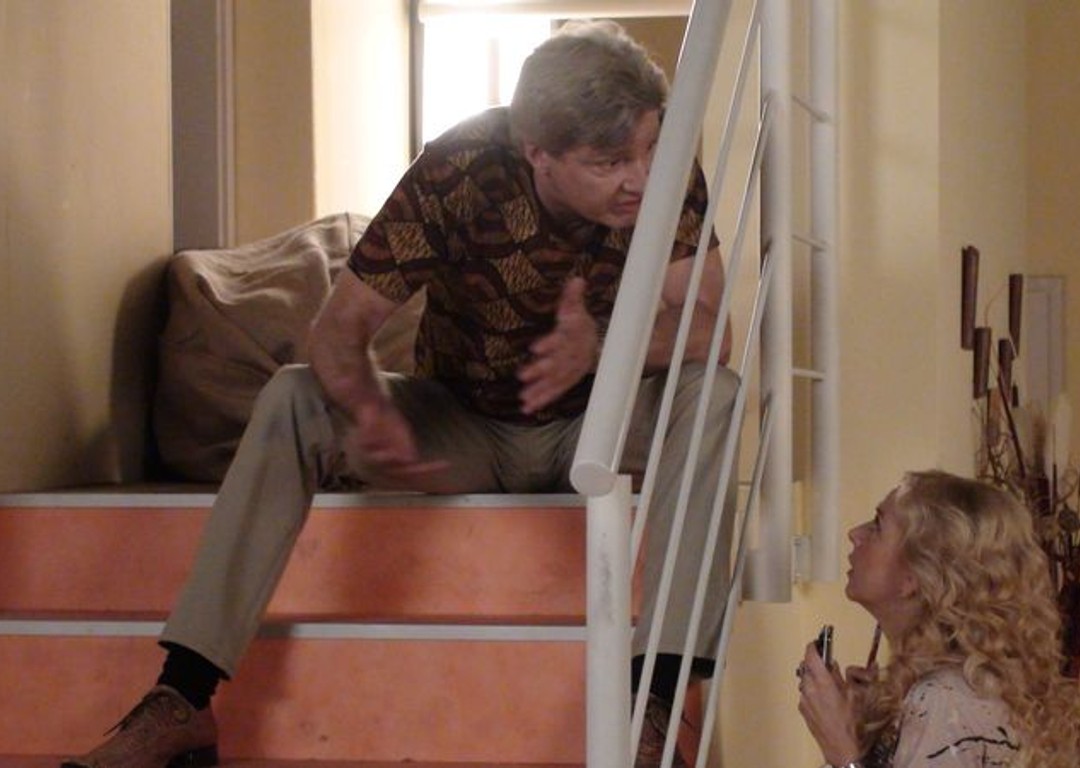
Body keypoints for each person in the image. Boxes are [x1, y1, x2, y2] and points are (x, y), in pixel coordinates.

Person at [64, 20, 739, 768]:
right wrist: (366, 408)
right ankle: (182, 699)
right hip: (464, 427)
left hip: (599, 428)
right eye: (609, 162)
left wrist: (602, 349)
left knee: (715, 392)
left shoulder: (665, 171)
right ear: (537, 153)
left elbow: (712, 332)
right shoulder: (458, 168)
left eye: (648, 149)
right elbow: (338, 330)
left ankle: (655, 706)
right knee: (294, 395)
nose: (640, 177)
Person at [797, 470, 1080, 767]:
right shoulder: (962, 690)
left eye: (878, 525)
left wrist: (842, 751)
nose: (855, 534)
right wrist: (867, 734)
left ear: (915, 575)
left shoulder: (945, 701)